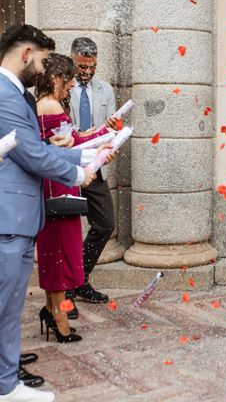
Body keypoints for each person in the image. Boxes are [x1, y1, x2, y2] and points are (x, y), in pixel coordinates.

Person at [0, 24, 99, 402]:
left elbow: (36, 146)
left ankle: (6, 373)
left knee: (9, 306)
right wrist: (76, 170)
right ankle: (6, 385)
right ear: (26, 53)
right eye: (42, 60)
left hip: (21, 215)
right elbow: (28, 152)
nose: (44, 69)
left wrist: (81, 153)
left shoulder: (15, 92)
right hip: (10, 214)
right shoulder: (6, 95)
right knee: (5, 304)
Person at [35, 53, 112, 343]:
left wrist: (101, 135)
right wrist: (104, 141)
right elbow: (69, 146)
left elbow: (71, 139)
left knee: (54, 253)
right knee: (60, 254)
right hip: (58, 185)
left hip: (53, 182)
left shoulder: (44, 105)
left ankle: (51, 311)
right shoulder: (51, 105)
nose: (70, 85)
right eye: (67, 79)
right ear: (56, 78)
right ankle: (61, 322)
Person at [66, 37, 118, 317]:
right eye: (82, 67)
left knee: (105, 223)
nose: (87, 72)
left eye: (92, 67)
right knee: (69, 232)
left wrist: (112, 130)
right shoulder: (63, 86)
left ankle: (80, 279)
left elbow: (109, 129)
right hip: (69, 167)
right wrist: (84, 135)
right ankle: (67, 291)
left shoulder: (105, 90)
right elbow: (64, 129)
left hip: (96, 168)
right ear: (73, 60)